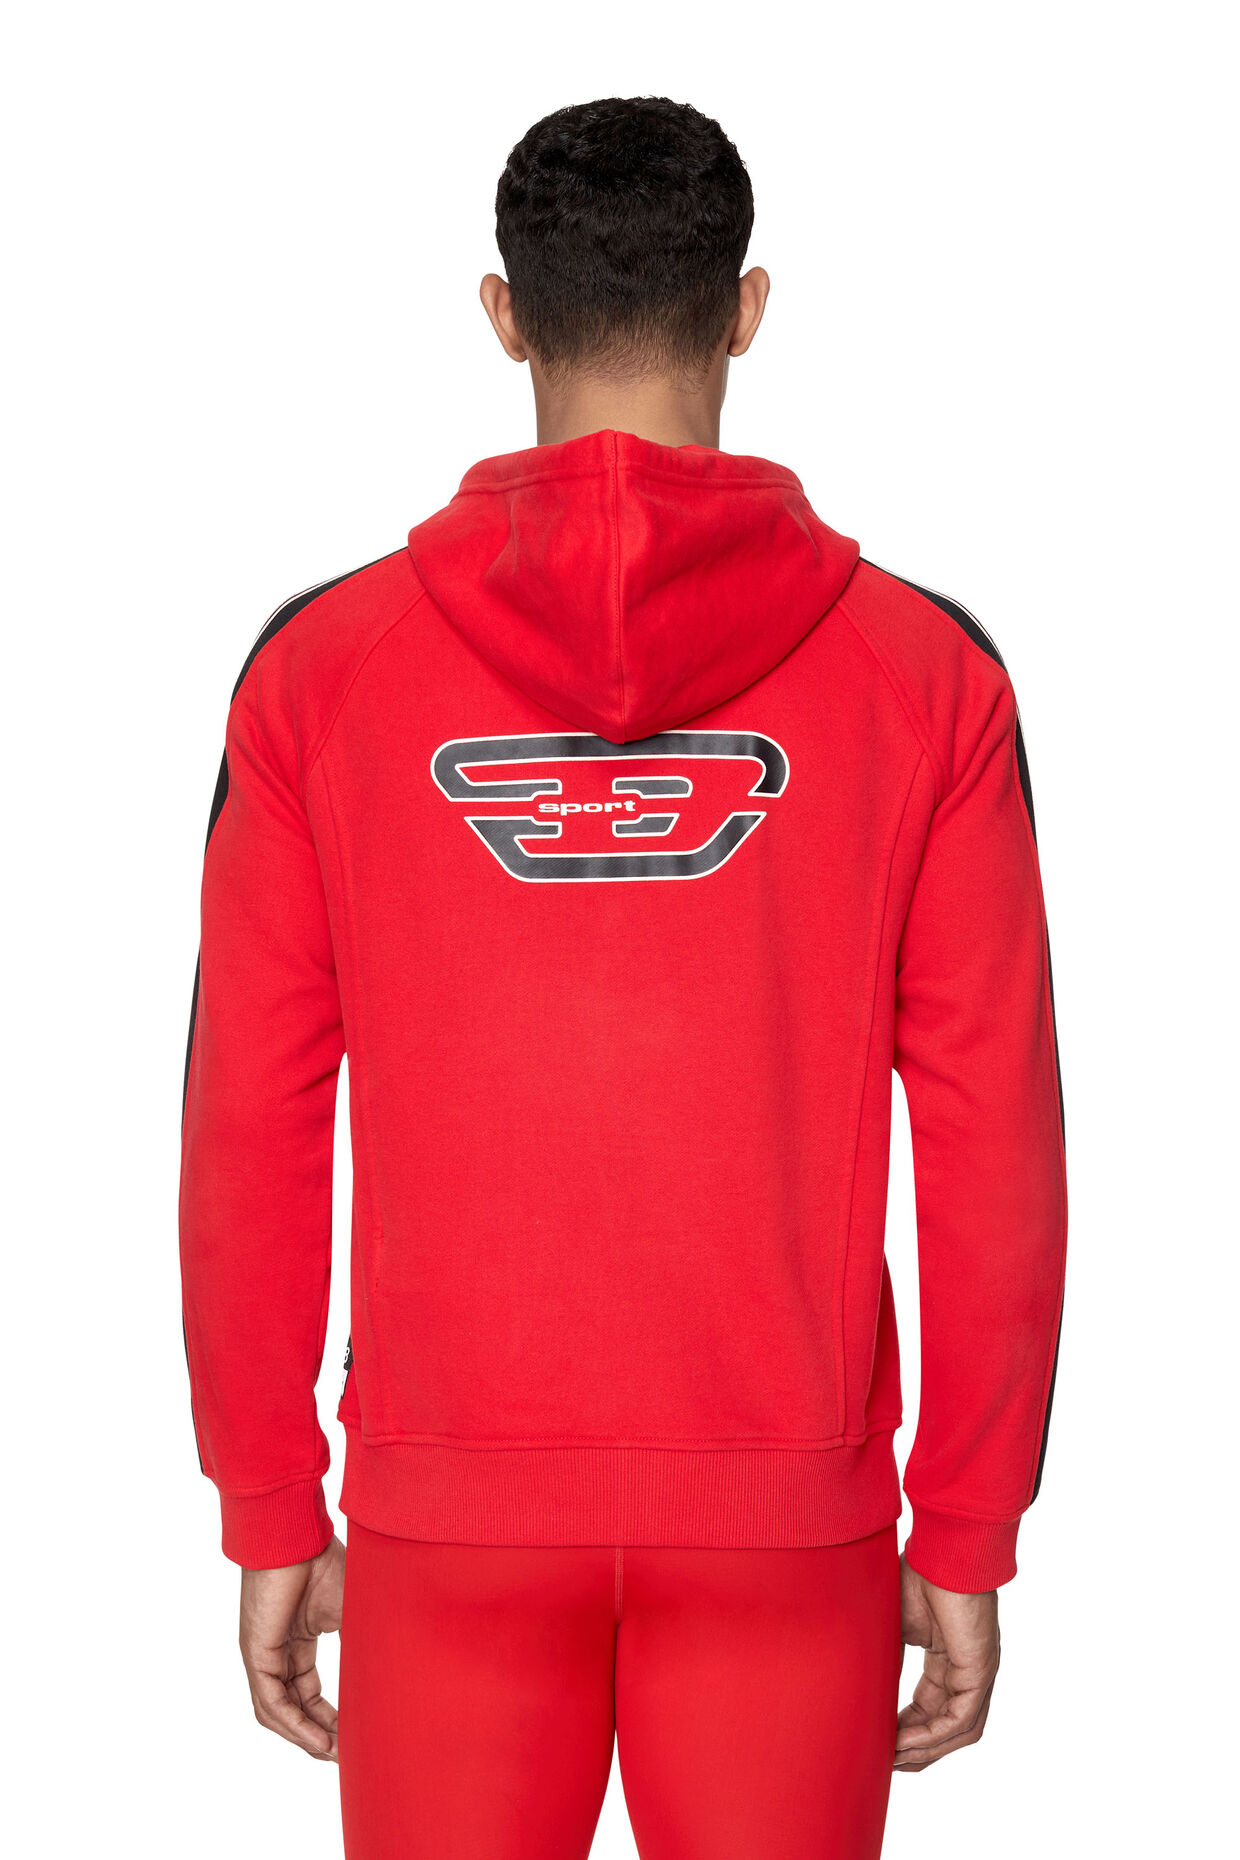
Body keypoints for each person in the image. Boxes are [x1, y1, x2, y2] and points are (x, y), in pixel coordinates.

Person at [179, 95, 1067, 1860]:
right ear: (746, 311)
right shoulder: (926, 679)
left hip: (448, 1522)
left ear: (506, 317)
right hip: (788, 1526)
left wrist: (272, 1498)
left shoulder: (321, 675)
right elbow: (996, 1138)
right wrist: (965, 1528)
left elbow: (248, 1116)